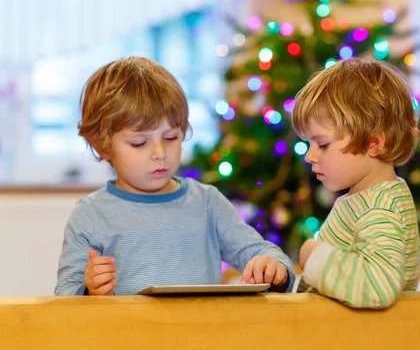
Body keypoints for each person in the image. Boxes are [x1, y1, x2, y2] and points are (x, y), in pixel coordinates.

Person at [55, 57, 294, 295]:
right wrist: (89, 291)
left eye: (171, 138)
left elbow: (257, 251)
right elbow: (65, 297)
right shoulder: (90, 215)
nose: (160, 153)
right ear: (102, 146)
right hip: (128, 333)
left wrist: (273, 267)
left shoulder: (207, 202)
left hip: (200, 332)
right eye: (139, 143)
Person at [292, 58, 420, 308]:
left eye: (323, 144)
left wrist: (314, 255)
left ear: (374, 143)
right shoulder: (369, 198)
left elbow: (379, 288)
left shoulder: (379, 209)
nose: (309, 156)